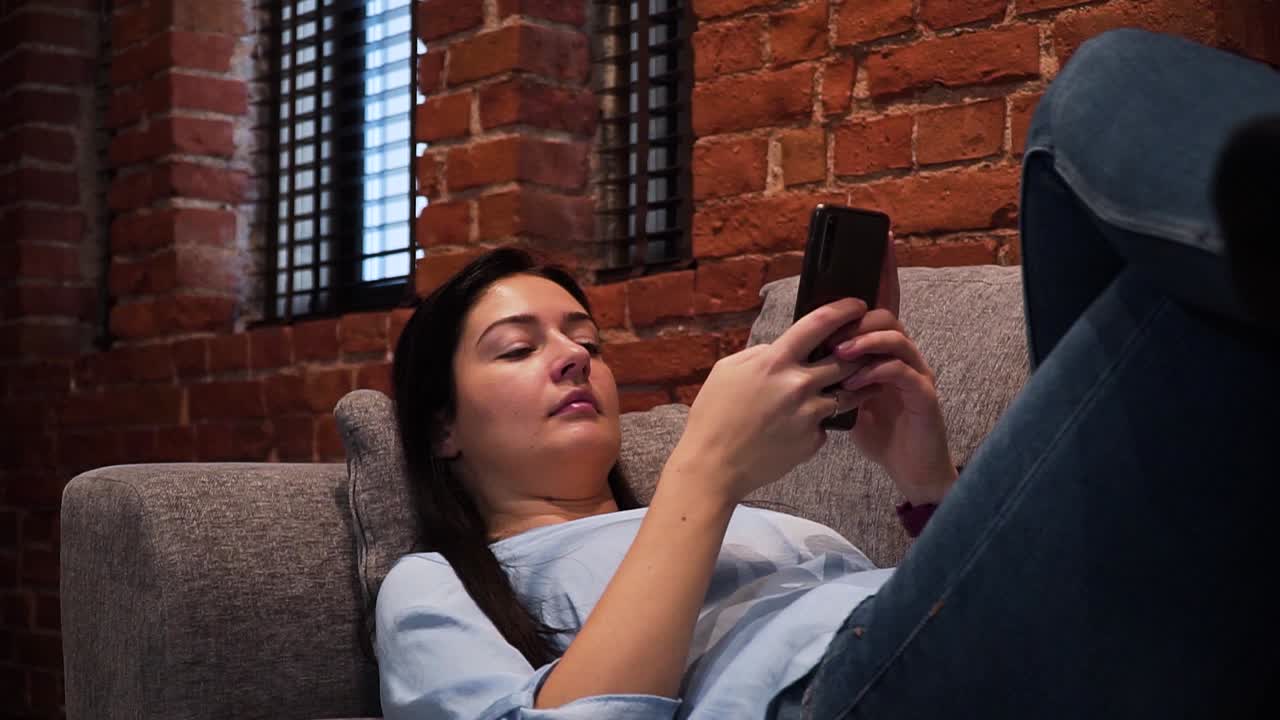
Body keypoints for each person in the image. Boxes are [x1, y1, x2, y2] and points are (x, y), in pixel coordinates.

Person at [378, 29, 1280, 719]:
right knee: (1105, 116)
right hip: (832, 691)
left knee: (1182, 268)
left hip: (1032, 650)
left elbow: (953, 614)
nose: (573, 353)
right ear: (441, 428)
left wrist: (928, 482)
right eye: (519, 346)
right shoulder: (436, 587)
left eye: (584, 338)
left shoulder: (780, 527)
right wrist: (708, 470)